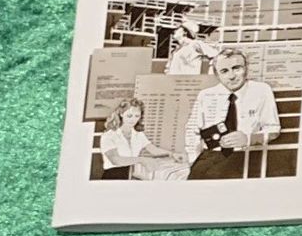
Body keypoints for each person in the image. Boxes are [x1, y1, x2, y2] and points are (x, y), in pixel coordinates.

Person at [183, 52, 280, 180]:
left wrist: (248, 139)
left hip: (246, 154)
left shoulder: (261, 90)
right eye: (224, 71)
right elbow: (192, 130)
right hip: (212, 156)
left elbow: (273, 129)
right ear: (217, 75)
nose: (232, 76)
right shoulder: (205, 95)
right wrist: (193, 160)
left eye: (236, 68)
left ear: (246, 68)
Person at [93, 98, 184, 182]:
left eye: (137, 116)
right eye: (129, 116)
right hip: (113, 176)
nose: (133, 120)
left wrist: (172, 154)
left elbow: (153, 150)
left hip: (133, 175)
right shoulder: (109, 135)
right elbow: (116, 160)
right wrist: (141, 160)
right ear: (121, 114)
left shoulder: (139, 135)